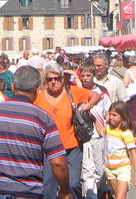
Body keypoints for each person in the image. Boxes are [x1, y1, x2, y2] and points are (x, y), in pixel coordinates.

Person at [0, 66, 72, 199]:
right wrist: (65, 191)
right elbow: (58, 161)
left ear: (13, 86)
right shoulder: (43, 118)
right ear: (37, 89)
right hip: (28, 191)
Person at [35, 62, 101, 199]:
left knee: (73, 185)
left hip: (72, 147)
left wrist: (87, 106)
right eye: (49, 79)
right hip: (49, 149)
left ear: (62, 78)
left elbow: (95, 95)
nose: (53, 82)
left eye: (57, 78)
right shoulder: (39, 98)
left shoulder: (72, 91)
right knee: (48, 187)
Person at [78, 61, 111, 199]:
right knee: (88, 171)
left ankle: (102, 191)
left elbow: (108, 112)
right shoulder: (77, 92)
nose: (85, 78)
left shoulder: (102, 91)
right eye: (83, 75)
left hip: (100, 136)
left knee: (100, 170)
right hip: (84, 137)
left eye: (88, 75)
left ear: (93, 75)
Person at [104, 101, 136, 199]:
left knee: (121, 197)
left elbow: (133, 154)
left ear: (123, 116)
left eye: (115, 115)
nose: (111, 117)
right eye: (110, 114)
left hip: (123, 167)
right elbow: (99, 131)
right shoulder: (107, 129)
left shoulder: (126, 133)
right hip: (110, 168)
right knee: (117, 195)